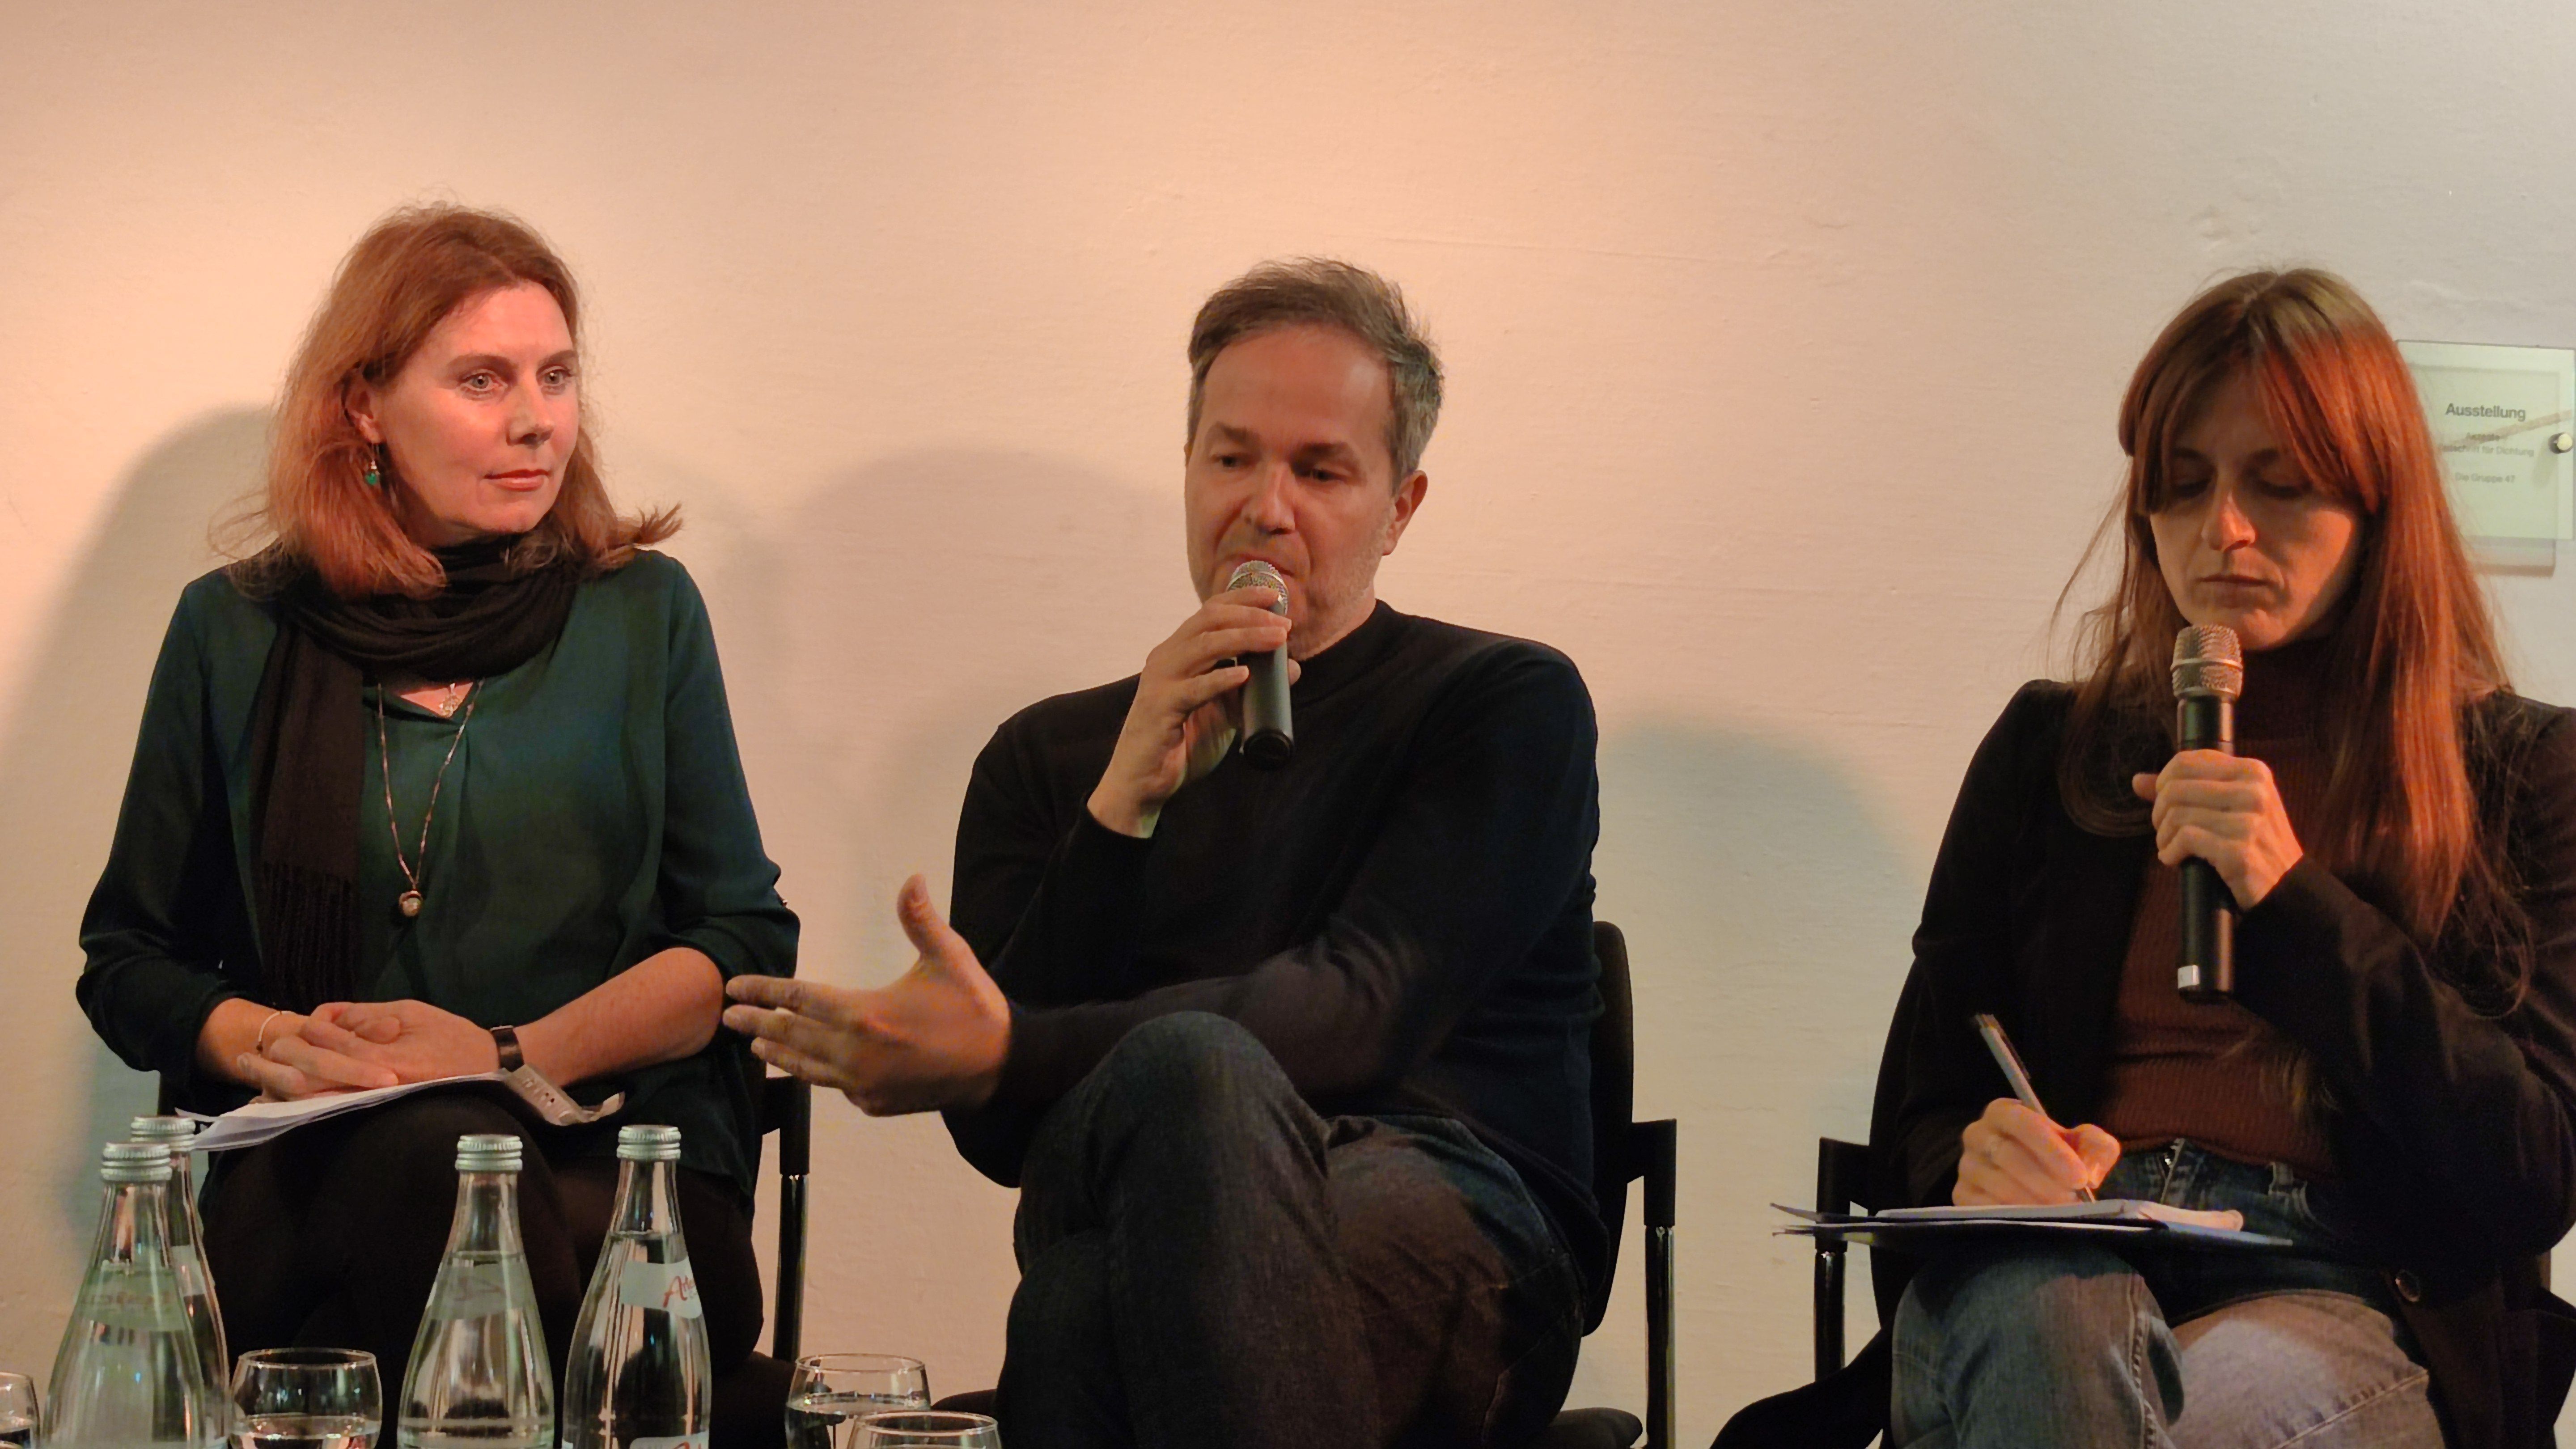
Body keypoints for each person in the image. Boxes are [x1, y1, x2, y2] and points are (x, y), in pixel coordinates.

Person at [724, 258, 1603, 1448]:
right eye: (1231, 457)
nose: (1266, 506)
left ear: (1403, 507)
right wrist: (1119, 810)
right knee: (1174, 1108)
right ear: (1188, 467)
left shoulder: (1501, 703)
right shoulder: (1052, 757)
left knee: (1085, 1302)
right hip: (1142, 1207)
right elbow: (1003, 1139)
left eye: (1321, 469)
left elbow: (1358, 1013)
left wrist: (1012, 1050)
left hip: (1449, 1226)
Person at [1775, 270, 2576, 1449]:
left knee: (2182, 1422)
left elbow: (2531, 1169)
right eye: (2183, 486)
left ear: (2378, 504)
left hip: (2337, 1287)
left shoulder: (2520, 772)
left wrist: (2294, 905)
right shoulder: (2056, 750)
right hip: (2061, 1261)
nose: (2226, 531)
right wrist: (1979, 1157)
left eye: (2281, 483)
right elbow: (1931, 1099)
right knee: (2050, 1320)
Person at [76, 206, 798, 1438]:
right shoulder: (236, 631)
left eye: (555, 377)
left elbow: (743, 939)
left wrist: (505, 1059)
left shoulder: (644, 615)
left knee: (461, 1152)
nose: (537, 419)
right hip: (312, 1178)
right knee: (431, 1154)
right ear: (363, 406)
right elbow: (130, 962)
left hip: (613, 1178)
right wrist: (284, 1048)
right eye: (482, 379)